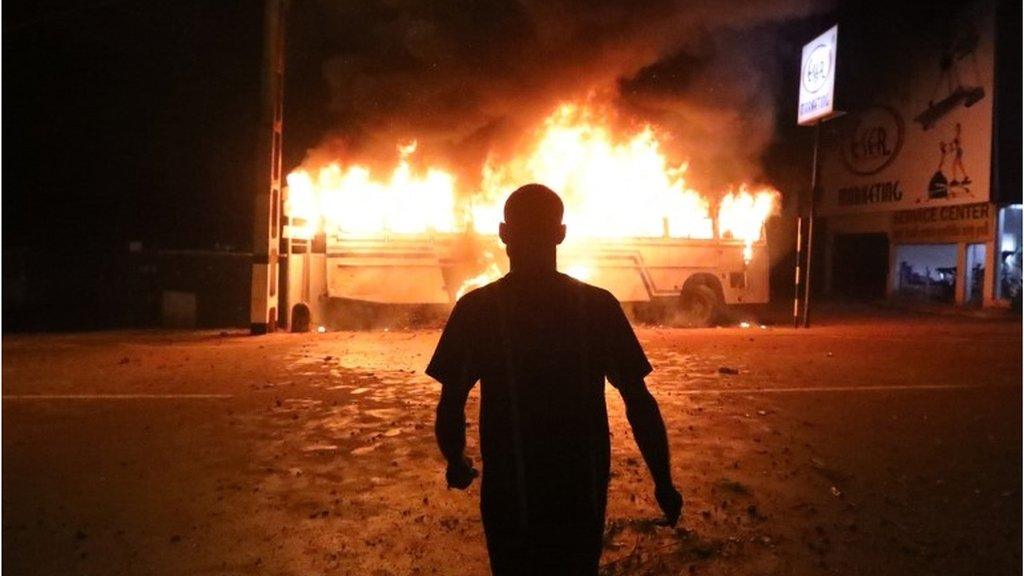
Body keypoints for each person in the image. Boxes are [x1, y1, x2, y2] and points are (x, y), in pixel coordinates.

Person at [427, 184, 683, 575]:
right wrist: (662, 482)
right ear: (560, 233)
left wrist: (456, 459)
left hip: (511, 491)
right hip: (579, 489)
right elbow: (638, 399)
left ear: (503, 233)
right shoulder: (597, 306)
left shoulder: (477, 310)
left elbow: (452, 399)